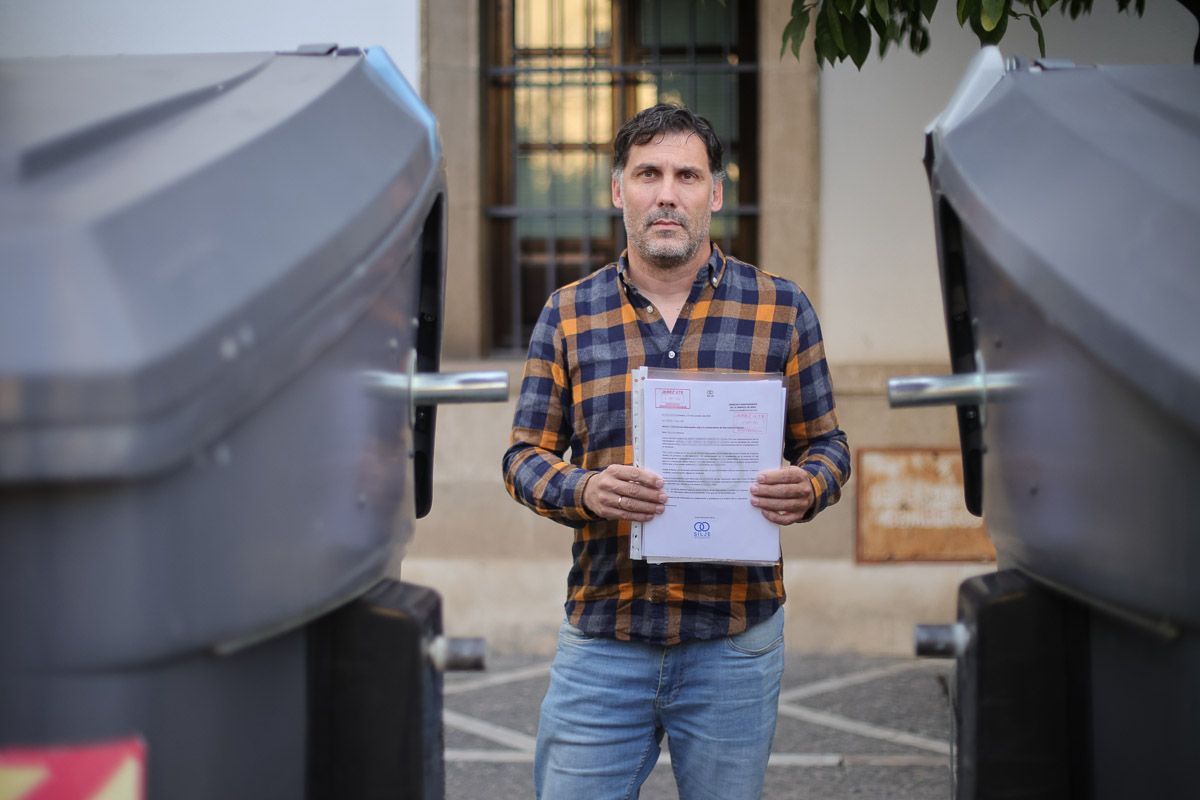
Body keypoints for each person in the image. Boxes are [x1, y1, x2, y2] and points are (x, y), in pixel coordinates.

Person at [502, 104, 851, 800]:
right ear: (617, 190)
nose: (667, 192)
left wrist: (809, 486)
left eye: (687, 175)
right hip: (607, 635)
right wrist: (585, 491)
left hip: (733, 640)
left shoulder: (782, 308)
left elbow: (829, 445)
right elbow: (523, 457)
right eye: (648, 173)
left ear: (714, 193)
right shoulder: (568, 312)